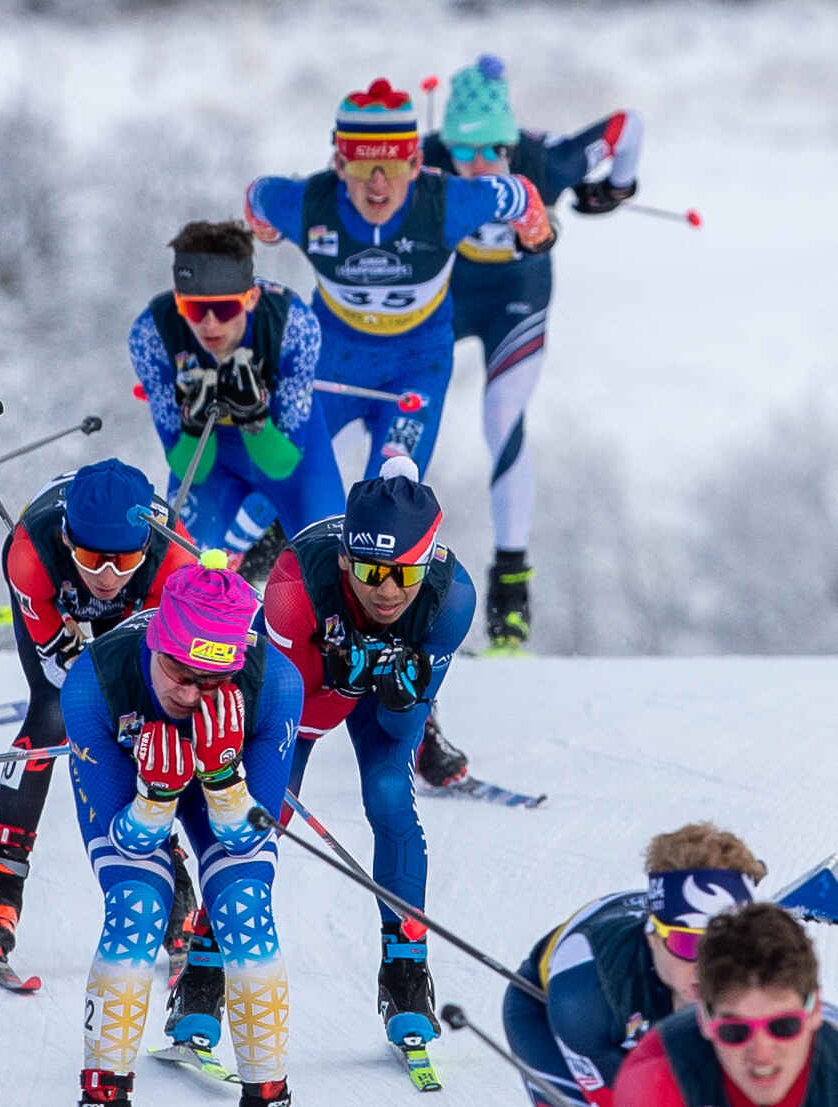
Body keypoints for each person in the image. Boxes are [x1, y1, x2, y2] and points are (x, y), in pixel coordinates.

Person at [166, 456, 473, 1053]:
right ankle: (205, 966)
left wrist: (398, 687)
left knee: (389, 797)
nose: (388, 591)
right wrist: (344, 675)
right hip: (302, 696)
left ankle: (406, 974)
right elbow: (293, 718)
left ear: (428, 562)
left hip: (364, 687)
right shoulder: (293, 585)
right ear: (345, 561)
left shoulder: (452, 596)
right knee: (266, 812)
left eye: (404, 575)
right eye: (371, 572)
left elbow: (397, 723)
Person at [422, 55, 644, 652]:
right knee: (410, 410)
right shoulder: (427, 156)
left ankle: (510, 600)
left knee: (502, 420)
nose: (475, 163)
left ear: (510, 143)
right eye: (462, 149)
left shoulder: (545, 162)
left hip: (516, 302)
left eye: (490, 150)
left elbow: (627, 126)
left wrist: (616, 187)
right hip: (446, 297)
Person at [64, 561, 301, 1107]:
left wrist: (224, 781)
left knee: (245, 904)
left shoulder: (275, 683)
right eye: (179, 673)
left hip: (224, 774)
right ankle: (103, 1095)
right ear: (156, 644)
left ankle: (269, 1094)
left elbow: (248, 837)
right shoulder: (94, 682)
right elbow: (129, 844)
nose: (192, 695)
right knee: (136, 906)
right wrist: (153, 800)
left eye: (213, 682)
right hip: (136, 783)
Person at [244, 78, 554, 487]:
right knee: (278, 479)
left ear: (415, 165)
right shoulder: (306, 203)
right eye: (362, 167)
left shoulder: (448, 202)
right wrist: (264, 230)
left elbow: (520, 195)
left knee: (392, 495)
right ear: (339, 166)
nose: (377, 183)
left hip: (415, 364)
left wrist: (536, 236)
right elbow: (258, 195)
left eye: (391, 167)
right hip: (332, 356)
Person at [0, 460, 199, 967]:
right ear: (68, 540)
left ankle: (170, 867)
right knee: (52, 712)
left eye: (124, 559)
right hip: (58, 599)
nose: (107, 575)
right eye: (93, 558)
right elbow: (60, 668)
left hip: (145, 603)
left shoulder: (174, 559)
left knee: (147, 719)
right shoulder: (29, 553)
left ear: (146, 545)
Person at [501, 822, 765, 1106]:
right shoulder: (585, 996)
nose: (709, 968)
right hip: (547, 1009)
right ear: (652, 937)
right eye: (687, 944)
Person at [128, 219, 338, 566]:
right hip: (212, 458)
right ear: (178, 301)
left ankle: (268, 535)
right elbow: (191, 470)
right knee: (185, 569)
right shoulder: (151, 334)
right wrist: (194, 428)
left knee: (330, 560)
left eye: (225, 309)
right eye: (194, 309)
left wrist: (255, 419)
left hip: (286, 445)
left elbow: (283, 464)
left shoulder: (292, 324)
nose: (210, 324)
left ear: (250, 299)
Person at [615, 903, 838, 1107]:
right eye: (734, 1032)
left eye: (784, 1027)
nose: (761, 1055)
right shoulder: (656, 1081)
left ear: (815, 1011)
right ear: (704, 1019)